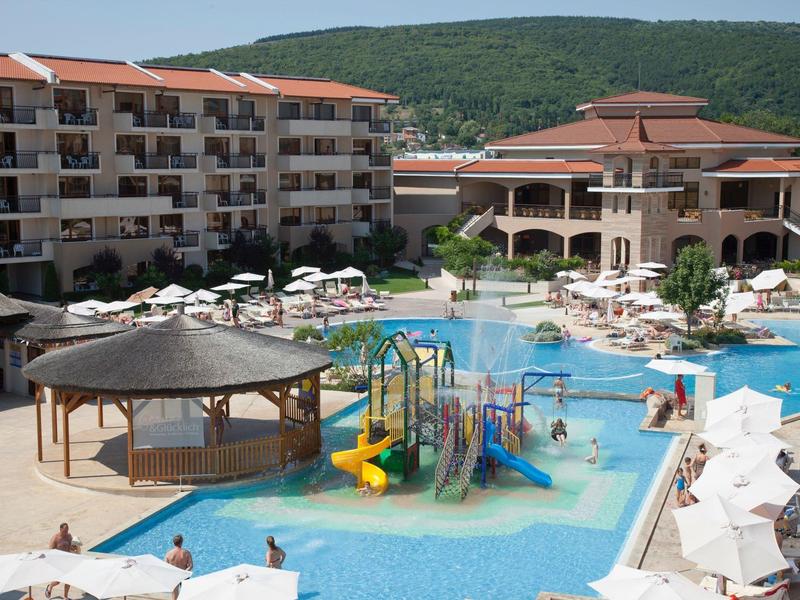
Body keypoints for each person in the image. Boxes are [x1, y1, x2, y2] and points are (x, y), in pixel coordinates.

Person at [45, 523, 73, 599]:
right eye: (65, 530)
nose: (66, 532)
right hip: (58, 562)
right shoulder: (55, 538)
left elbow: (72, 546)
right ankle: (50, 586)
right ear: (60, 529)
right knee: (58, 581)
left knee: (69, 580)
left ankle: (65, 596)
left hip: (67, 561)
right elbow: (50, 552)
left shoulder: (69, 536)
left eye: (67, 530)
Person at [165, 534, 193, 600]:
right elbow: (191, 565)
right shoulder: (186, 553)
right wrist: (183, 573)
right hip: (184, 575)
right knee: (185, 593)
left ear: (173, 542)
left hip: (173, 575)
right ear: (182, 542)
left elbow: (166, 567)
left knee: (174, 595)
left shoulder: (168, 553)